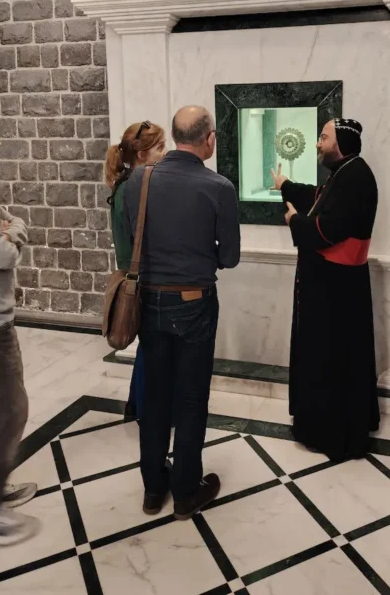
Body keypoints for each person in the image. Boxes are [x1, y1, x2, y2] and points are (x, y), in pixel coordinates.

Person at [124, 106, 240, 520]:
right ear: (208, 139)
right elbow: (229, 257)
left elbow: (133, 234)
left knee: (154, 398)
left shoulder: (140, 178)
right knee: (191, 399)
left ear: (174, 137)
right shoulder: (219, 187)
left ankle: (153, 489)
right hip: (194, 304)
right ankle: (186, 492)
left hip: (150, 303)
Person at [271, 118, 379, 462]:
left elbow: (324, 231)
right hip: (332, 287)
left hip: (335, 292)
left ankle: (330, 433)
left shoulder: (355, 177)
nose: (317, 143)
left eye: (323, 137)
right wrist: (286, 185)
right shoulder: (346, 172)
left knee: (331, 359)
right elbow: (317, 198)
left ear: (341, 144)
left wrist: (293, 221)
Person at [0, 106, 38, 545]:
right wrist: (7, 239)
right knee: (9, 411)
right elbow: (2, 257)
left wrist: (7, 230)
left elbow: (12, 224)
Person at [105, 120, 167, 421]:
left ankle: (136, 403)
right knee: (153, 346)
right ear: (142, 155)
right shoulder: (138, 187)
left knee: (149, 344)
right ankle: (147, 408)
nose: (165, 153)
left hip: (131, 272)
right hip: (143, 276)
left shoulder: (124, 184)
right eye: (159, 147)